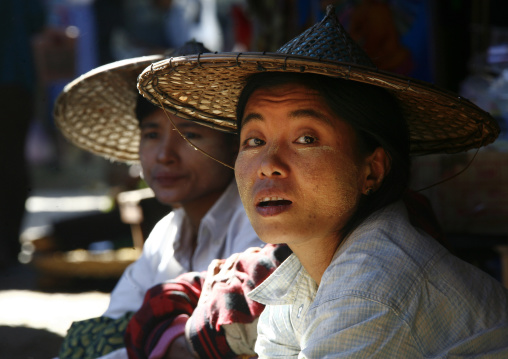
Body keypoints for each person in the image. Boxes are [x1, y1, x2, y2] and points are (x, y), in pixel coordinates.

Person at [136, 5, 508, 357]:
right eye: (254, 141)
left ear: (372, 170)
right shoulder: (300, 276)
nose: (268, 165)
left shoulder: (371, 288)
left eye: (306, 139)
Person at [53, 41, 263, 358]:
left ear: (235, 145)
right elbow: (116, 323)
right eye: (152, 135)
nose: (164, 155)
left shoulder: (259, 226)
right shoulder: (164, 235)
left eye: (190, 134)